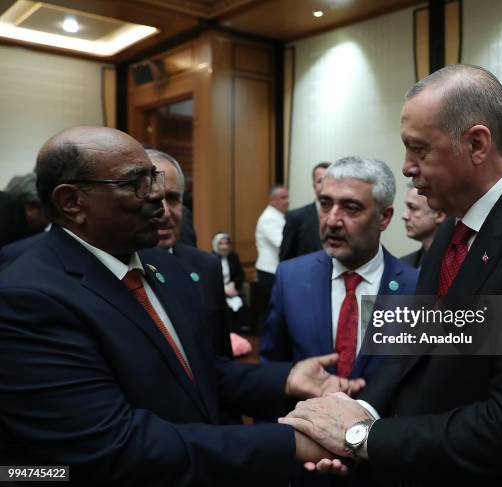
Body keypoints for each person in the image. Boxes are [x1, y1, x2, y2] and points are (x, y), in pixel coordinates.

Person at [281, 64, 502, 487]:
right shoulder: (454, 228)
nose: (406, 168)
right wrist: (359, 413)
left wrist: (362, 437)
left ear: (476, 143)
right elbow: (419, 353)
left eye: (418, 150)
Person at [0, 126, 365, 486]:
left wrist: (285, 378)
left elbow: (196, 372)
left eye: (154, 178)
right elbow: (118, 447)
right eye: (134, 183)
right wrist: (292, 442)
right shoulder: (28, 298)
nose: (158, 197)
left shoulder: (164, 268)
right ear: (71, 202)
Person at [260, 156, 418, 383]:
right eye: (325, 204)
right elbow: (272, 371)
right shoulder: (290, 278)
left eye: (351, 208)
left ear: (384, 217)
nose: (332, 221)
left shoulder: (415, 287)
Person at [146, 148, 235, 358]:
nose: (165, 212)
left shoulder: (206, 266)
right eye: (153, 198)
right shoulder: (115, 271)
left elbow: (221, 356)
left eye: (173, 198)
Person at [280, 161, 331, 261]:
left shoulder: (344, 216)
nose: (325, 185)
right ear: (314, 186)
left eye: (329, 180)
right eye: (320, 181)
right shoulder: (296, 217)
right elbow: (286, 259)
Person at [211, 232, 253, 350]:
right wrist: (223, 289)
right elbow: (210, 278)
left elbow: (240, 275)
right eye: (221, 244)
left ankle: (242, 334)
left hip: (233, 290)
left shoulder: (233, 257)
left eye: (226, 244)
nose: (224, 247)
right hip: (218, 291)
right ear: (215, 245)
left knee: (242, 305)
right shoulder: (210, 258)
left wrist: (233, 284)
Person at [254, 184, 289, 322]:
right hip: (269, 272)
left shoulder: (279, 216)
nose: (287, 201)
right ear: (272, 200)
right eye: (283, 197)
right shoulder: (269, 218)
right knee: (271, 312)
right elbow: (282, 244)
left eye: (287, 197)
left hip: (275, 270)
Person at [400, 184, 446, 268]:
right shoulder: (404, 264)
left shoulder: (454, 267)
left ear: (439, 215)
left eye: (413, 208)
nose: (404, 216)